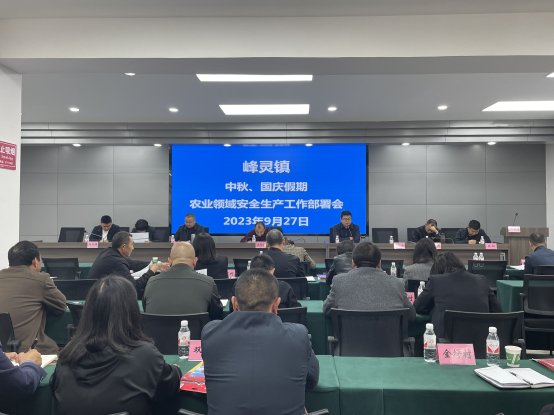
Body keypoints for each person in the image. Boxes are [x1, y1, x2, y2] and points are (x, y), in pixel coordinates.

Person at [51, 276, 181, 415]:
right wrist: (175, 370)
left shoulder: (67, 355)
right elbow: (170, 385)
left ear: (88, 311)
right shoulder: (145, 355)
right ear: (132, 312)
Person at [202, 269, 319, 415]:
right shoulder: (299, 335)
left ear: (234, 303)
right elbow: (312, 379)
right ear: (276, 304)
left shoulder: (211, 332)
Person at [414, 252, 501, 338]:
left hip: (446, 342)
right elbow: (497, 311)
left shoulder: (436, 281)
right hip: (481, 341)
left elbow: (418, 307)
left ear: (436, 271)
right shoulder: (482, 281)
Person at [0, 241, 66, 354]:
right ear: (35, 261)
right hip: (24, 351)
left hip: (3, 351)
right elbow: (61, 305)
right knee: (57, 349)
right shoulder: (40, 279)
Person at [323, 242, 415, 320]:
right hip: (389, 336)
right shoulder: (397, 283)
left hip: (349, 336)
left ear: (353, 263)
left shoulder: (339, 281)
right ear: (379, 263)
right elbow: (411, 315)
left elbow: (327, 310)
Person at [143, 242, 223, 319]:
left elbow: (146, 310)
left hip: (156, 329)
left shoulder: (151, 282)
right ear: (195, 261)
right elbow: (217, 317)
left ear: (169, 261)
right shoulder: (208, 283)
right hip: (195, 329)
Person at [88, 231, 162, 293]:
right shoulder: (116, 262)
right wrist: (151, 271)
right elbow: (134, 287)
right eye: (132, 244)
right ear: (123, 247)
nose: (133, 248)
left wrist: (154, 264)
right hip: (99, 297)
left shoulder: (108, 252)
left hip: (96, 290)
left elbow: (133, 263)